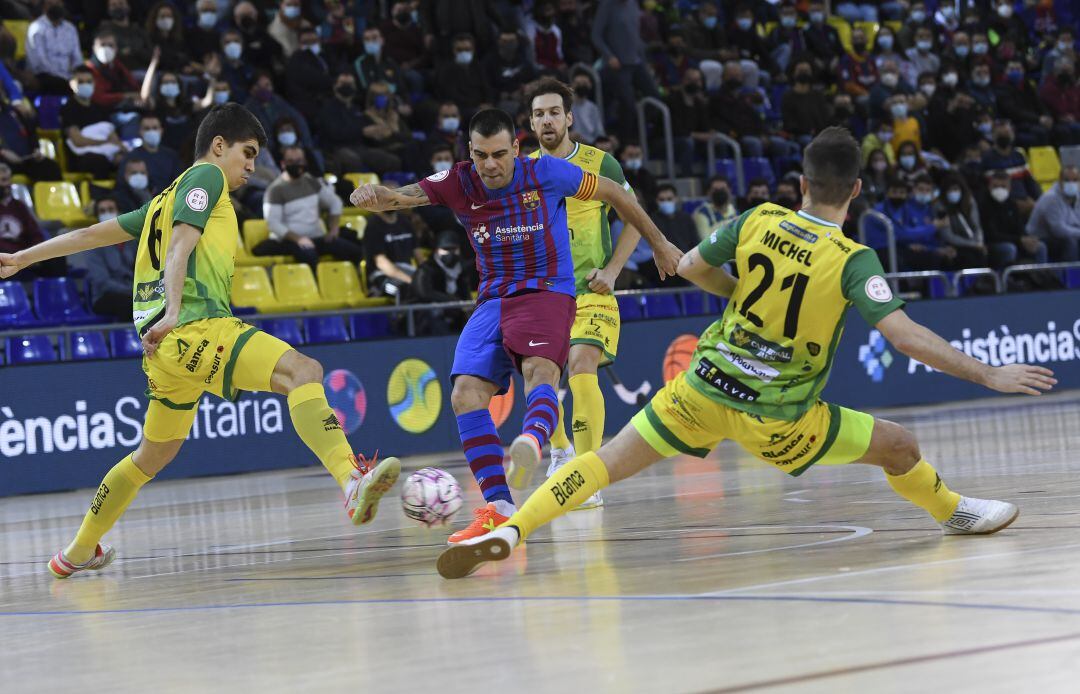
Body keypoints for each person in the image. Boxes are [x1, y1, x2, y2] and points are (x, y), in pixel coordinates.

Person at [436, 127, 1057, 580]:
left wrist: (743, 301)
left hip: (702, 387)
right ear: (857, 189)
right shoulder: (852, 260)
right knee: (900, 447)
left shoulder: (758, 219)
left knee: (601, 464)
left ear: (803, 183)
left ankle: (513, 527)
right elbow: (904, 336)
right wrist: (987, 373)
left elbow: (688, 267)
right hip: (776, 414)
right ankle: (952, 511)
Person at [0, 103, 401, 579]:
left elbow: (90, 234)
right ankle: (350, 480)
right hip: (190, 327)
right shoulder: (205, 178)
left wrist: (23, 257)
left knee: (151, 455)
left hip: (160, 351)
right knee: (303, 372)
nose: (251, 166)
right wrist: (173, 311)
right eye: (247, 153)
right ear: (218, 146)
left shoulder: (160, 201)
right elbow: (180, 246)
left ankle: (77, 550)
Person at [349, 108, 682, 544]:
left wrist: (659, 244)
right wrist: (377, 194)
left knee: (539, 372)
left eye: (500, 154)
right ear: (470, 151)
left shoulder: (548, 173)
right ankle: (499, 510)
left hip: (547, 290)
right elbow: (404, 196)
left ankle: (532, 440)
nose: (491, 164)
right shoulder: (457, 181)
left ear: (516, 150)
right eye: (482, 155)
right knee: (465, 394)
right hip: (492, 299)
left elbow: (617, 196)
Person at [527, 78, 642, 511]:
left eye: (554, 112)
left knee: (581, 362)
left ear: (569, 118)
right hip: (542, 297)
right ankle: (560, 453)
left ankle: (587, 473)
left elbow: (636, 218)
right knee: (539, 375)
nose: (546, 120)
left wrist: (613, 271)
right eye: (538, 114)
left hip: (590, 292)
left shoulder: (601, 164)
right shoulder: (523, 169)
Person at [254, 146, 360, 268]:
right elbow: (273, 224)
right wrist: (298, 239)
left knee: (353, 250)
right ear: (283, 164)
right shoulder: (275, 190)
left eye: (299, 161)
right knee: (309, 255)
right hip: (288, 241)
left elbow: (335, 202)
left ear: (305, 162)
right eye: (291, 161)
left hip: (316, 238)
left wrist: (334, 228)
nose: (296, 165)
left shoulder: (311, 182)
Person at [0, 164, 65, 278]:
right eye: (2, 180)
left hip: (20, 254)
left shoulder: (19, 205)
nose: (7, 184)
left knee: (56, 255)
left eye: (8, 179)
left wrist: (34, 254)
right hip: (3, 256)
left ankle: (57, 291)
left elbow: (35, 233)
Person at [77, 196, 136, 320]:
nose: (107, 213)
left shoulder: (132, 239)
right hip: (105, 296)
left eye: (110, 209)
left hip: (134, 292)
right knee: (128, 304)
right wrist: (132, 291)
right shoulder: (93, 245)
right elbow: (102, 282)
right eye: (102, 211)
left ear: (119, 212)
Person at [979, 170, 1048, 269]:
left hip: (1014, 241)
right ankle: (1008, 281)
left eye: (1003, 187)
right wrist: (1020, 240)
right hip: (992, 244)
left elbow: (1019, 226)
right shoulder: (983, 204)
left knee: (1040, 247)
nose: (999, 190)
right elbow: (991, 235)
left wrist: (1027, 239)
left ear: (1010, 188)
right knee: (1009, 249)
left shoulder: (1011, 203)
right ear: (989, 186)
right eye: (995, 186)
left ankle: (1042, 278)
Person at [411, 230, 476, 335]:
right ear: (436, 250)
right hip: (424, 317)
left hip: (454, 312)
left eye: (453, 249)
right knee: (434, 313)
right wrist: (453, 300)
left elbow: (465, 293)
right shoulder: (426, 269)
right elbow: (424, 293)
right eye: (445, 249)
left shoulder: (462, 269)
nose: (450, 253)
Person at [362, 207, 423, 298]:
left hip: (407, 271)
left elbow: (418, 254)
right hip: (381, 276)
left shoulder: (405, 222)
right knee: (404, 291)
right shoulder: (373, 225)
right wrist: (410, 281)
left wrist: (426, 274)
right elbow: (382, 263)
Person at [26, 0, 82, 95]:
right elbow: (41, 62)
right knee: (59, 84)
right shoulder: (37, 28)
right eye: (51, 4)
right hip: (45, 75)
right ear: (44, 7)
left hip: (69, 76)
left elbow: (77, 56)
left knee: (87, 81)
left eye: (58, 3)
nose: (55, 6)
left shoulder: (70, 28)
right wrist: (64, 77)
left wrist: (77, 72)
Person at [1026, 166, 1080, 263]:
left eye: (1075, 180)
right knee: (1070, 242)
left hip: (1058, 238)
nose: (1071, 183)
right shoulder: (1051, 198)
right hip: (1039, 238)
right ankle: (1070, 276)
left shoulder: (1077, 197)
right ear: (1060, 181)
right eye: (1067, 180)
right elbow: (1058, 229)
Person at [122, 115, 183, 194]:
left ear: (161, 130)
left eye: (155, 128)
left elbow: (180, 181)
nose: (151, 132)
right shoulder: (130, 157)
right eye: (147, 129)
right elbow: (123, 184)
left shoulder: (171, 155)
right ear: (139, 131)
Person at [694, 174, 738, 241]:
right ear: (709, 192)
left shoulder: (735, 211)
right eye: (716, 190)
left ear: (729, 190)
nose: (720, 192)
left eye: (723, 189)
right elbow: (706, 241)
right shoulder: (702, 213)